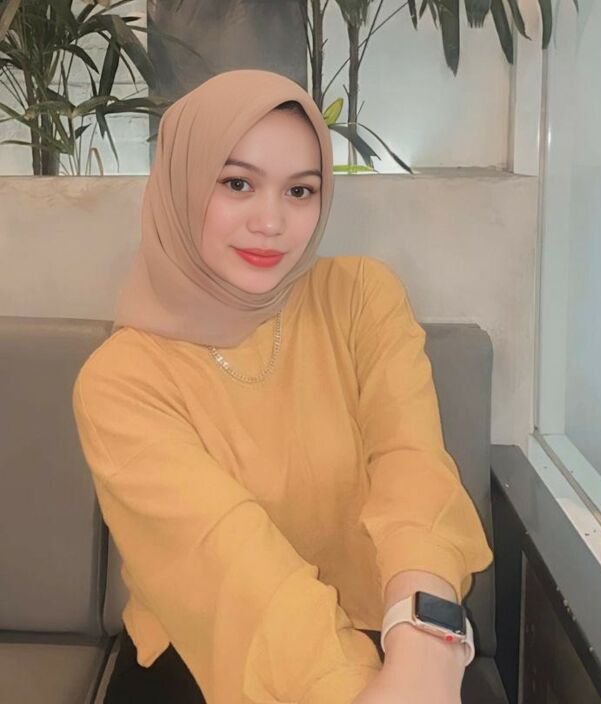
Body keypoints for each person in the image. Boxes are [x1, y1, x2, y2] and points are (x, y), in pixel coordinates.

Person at [72, 68, 493, 704]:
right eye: (237, 183)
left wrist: (425, 652)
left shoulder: (359, 298)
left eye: (300, 190)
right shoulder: (122, 381)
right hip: (208, 656)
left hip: (393, 630)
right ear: (181, 184)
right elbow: (233, 574)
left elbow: (412, 471)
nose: (271, 222)